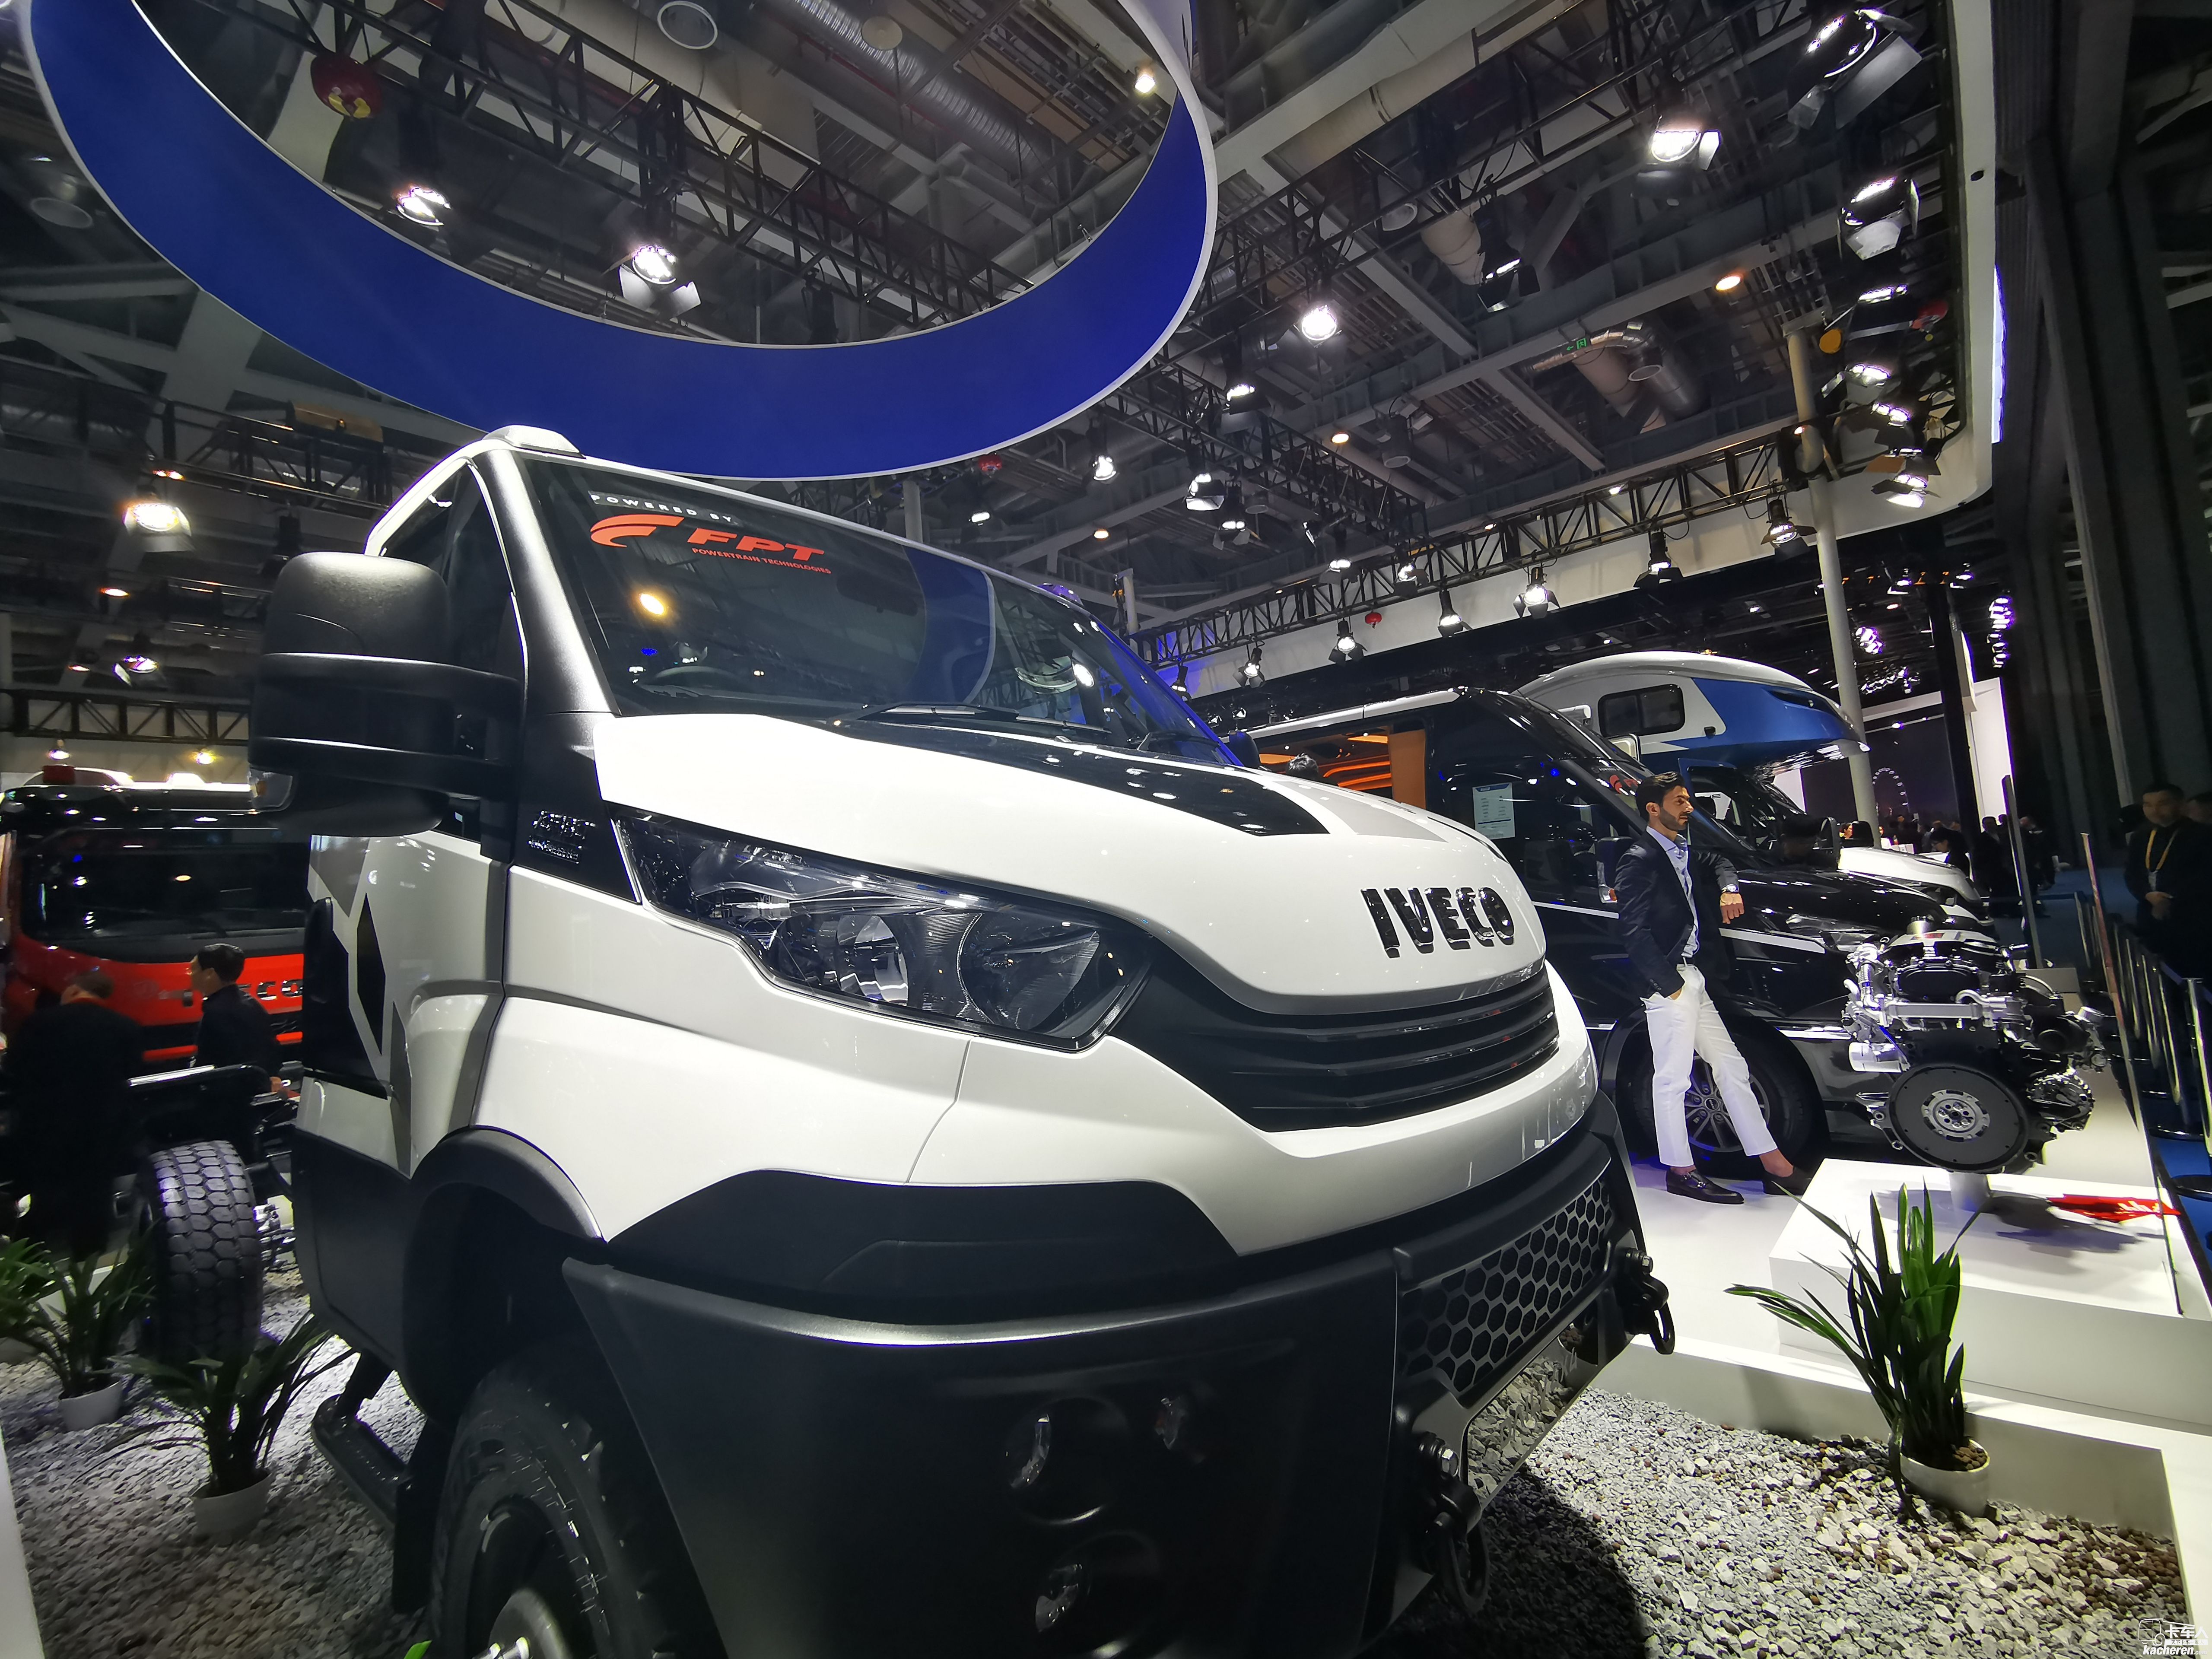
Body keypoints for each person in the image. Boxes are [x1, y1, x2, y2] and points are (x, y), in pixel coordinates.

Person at [1615, 775, 1808, 1205]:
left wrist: (1729, 889)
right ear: (1653, 809)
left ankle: (1775, 1166)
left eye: (1688, 800)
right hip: (1670, 983)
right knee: (1672, 1078)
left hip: (1694, 979)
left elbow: (1719, 861)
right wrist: (1669, 987)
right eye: (1679, 802)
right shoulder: (1639, 859)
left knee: (1731, 1066)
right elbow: (1633, 932)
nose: (1688, 808)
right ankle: (1681, 1172)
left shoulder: (1682, 850)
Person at [4, 970, 143, 1254]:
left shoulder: (40, 1023)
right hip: (101, 1124)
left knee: (43, 1192)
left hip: (45, 1122)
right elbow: (132, 1074)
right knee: (94, 1194)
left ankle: (30, 1259)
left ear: (73, 991)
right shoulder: (125, 1026)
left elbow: (16, 1068)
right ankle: (88, 1257)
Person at [2124, 782, 2210, 971]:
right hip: (2150, 911)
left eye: (2163, 804)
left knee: (2195, 967)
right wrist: (2147, 895)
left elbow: (2204, 875)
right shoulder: (2141, 836)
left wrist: (2169, 898)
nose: (2155, 811)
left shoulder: (2202, 835)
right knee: (2158, 968)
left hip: (2192, 914)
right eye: (2148, 805)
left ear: (2180, 804)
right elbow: (2132, 873)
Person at [189, 943, 281, 1091]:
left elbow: (208, 1061)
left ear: (210, 974)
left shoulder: (216, 1013)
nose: (190, 974)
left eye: (193, 969)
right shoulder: (252, 1003)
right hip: (257, 1083)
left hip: (231, 1092)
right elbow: (271, 1049)